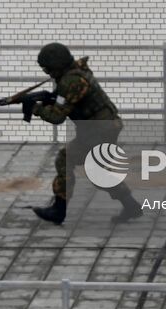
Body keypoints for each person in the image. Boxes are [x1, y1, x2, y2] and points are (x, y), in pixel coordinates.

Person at [28, 42, 142, 225]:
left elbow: (57, 117)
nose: (48, 73)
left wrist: (35, 108)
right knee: (96, 171)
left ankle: (59, 209)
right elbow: (63, 100)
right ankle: (131, 206)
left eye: (48, 69)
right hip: (100, 127)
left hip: (99, 129)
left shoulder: (73, 81)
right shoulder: (73, 74)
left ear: (57, 64)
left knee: (67, 160)